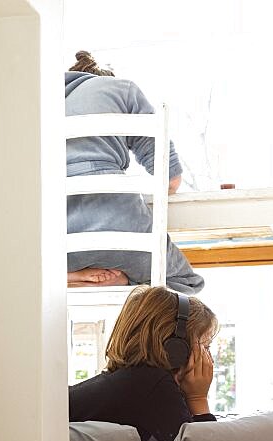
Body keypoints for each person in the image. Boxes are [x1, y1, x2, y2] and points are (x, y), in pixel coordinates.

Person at [65, 51, 206, 294]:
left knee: (39, 265)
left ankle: (68, 278)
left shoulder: (39, 105)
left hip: (57, 245)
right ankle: (123, 282)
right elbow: (170, 180)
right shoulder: (121, 89)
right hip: (121, 227)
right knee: (185, 284)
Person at [69, 285, 218, 441]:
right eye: (206, 347)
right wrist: (198, 399)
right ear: (176, 349)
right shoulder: (152, 383)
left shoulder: (134, 380)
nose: (210, 359)